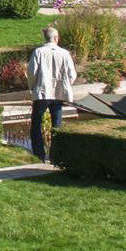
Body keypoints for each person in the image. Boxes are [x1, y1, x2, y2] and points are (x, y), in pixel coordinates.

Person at [26, 26, 77, 163]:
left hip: (42, 93)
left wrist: (33, 87)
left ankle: (39, 154)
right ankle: (56, 155)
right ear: (56, 38)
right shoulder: (65, 54)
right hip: (58, 94)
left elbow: (31, 72)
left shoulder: (39, 52)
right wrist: (65, 85)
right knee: (57, 126)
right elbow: (72, 74)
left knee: (36, 124)